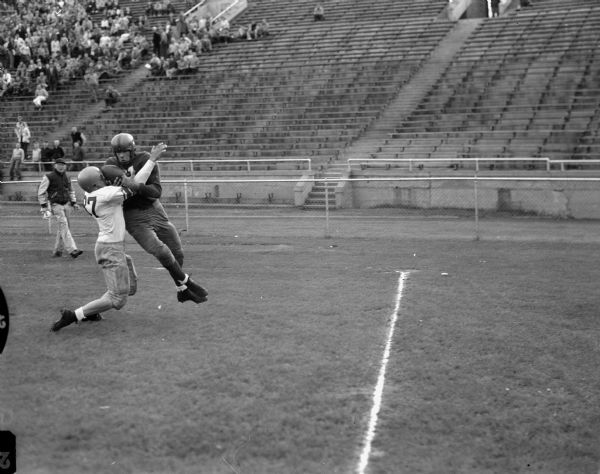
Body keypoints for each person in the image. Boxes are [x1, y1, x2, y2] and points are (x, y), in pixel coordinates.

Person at [50, 144, 167, 332]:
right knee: (118, 299)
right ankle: (74, 315)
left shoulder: (90, 195)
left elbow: (112, 190)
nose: (107, 179)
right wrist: (151, 160)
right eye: (103, 178)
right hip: (111, 249)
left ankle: (90, 311)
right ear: (96, 183)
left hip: (108, 246)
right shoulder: (106, 194)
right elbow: (136, 185)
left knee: (126, 289)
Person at [104, 133, 208, 304]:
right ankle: (186, 284)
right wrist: (134, 185)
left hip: (154, 208)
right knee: (159, 250)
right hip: (133, 215)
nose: (121, 156)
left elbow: (156, 191)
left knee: (177, 252)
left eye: (125, 152)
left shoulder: (144, 158)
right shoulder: (111, 164)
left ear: (132, 149)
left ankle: (181, 290)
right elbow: (116, 183)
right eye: (118, 152)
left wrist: (136, 187)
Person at [37, 158, 83, 259]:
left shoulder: (67, 177)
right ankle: (72, 250)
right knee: (64, 225)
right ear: (55, 166)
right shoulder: (48, 177)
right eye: (59, 164)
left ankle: (58, 251)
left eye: (63, 164)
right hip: (55, 205)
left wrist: (74, 202)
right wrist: (44, 206)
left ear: (65, 166)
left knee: (64, 228)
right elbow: (41, 192)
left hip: (67, 205)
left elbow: (71, 191)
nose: (61, 166)